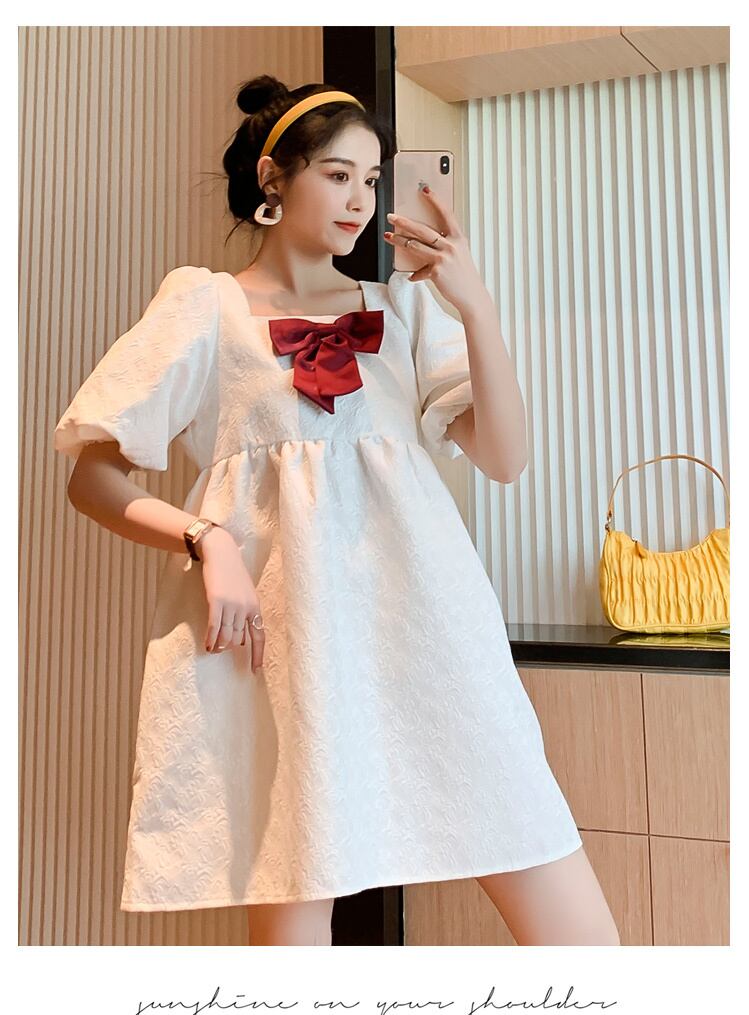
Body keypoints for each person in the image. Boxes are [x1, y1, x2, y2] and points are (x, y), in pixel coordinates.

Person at [53, 74, 620, 947]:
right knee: (296, 927)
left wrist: (473, 304)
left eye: (372, 178)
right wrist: (207, 538)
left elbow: (505, 459)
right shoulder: (202, 307)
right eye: (337, 174)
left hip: (429, 631)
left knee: (575, 928)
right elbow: (92, 478)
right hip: (290, 648)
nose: (361, 199)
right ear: (273, 179)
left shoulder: (403, 309)